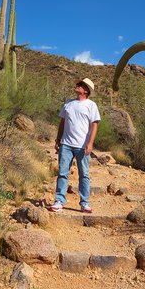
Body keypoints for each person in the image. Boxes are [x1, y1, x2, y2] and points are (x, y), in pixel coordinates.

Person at [51, 78, 100, 213]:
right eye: (78, 84)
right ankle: (59, 201)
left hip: (82, 146)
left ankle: (84, 203)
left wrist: (90, 143)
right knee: (62, 173)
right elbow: (62, 122)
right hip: (66, 144)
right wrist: (58, 139)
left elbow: (94, 125)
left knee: (84, 175)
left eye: (81, 85)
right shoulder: (68, 103)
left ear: (86, 91)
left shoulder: (91, 105)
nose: (77, 85)